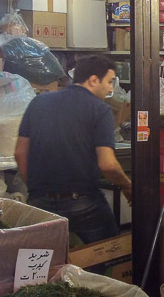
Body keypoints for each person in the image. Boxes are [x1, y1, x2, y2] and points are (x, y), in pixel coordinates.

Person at [14, 55, 132, 244]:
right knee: (108, 252)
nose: (111, 88)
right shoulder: (99, 109)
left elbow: (20, 153)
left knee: (44, 263)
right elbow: (108, 164)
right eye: (109, 82)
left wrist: (37, 190)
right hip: (83, 202)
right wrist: (127, 186)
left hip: (39, 201)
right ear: (93, 80)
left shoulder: (38, 102)